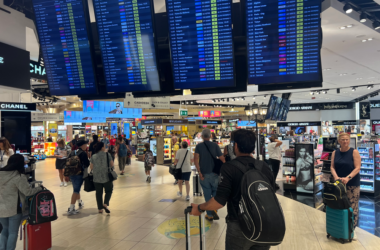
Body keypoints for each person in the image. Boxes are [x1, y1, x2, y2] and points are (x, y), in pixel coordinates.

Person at [190, 129, 274, 250]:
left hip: (239, 225)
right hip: (264, 224)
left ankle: (210, 214)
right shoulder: (264, 167)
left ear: (235, 146)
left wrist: (199, 207)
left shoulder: (230, 168)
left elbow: (219, 201)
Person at [0, 154, 43, 250]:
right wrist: (39, 188)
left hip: (1, 209)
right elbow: (28, 192)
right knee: (13, 232)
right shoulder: (19, 176)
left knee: (4, 230)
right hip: (14, 209)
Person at [331, 133, 361, 230]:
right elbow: (332, 167)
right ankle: (342, 228)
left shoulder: (354, 152)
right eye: (343, 139)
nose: (345, 141)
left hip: (352, 185)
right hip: (339, 185)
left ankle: (352, 229)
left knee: (352, 207)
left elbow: (357, 168)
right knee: (340, 206)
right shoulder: (335, 153)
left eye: (347, 139)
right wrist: (336, 177)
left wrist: (348, 178)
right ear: (339, 141)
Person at [194, 128, 225, 221]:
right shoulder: (215, 146)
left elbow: (195, 159)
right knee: (216, 191)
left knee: (207, 194)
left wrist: (199, 172)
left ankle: (209, 214)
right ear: (211, 136)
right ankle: (214, 208)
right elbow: (222, 159)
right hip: (215, 174)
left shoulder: (199, 146)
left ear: (202, 137)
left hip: (203, 174)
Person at [90, 142, 114, 214]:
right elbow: (112, 164)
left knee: (98, 193)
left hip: (96, 177)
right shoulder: (107, 155)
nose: (105, 147)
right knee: (109, 190)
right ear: (102, 148)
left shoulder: (93, 156)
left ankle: (100, 209)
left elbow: (91, 167)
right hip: (107, 176)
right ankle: (105, 203)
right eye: (104, 146)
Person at [67, 140, 89, 215]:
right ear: (82, 145)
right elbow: (87, 164)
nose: (86, 145)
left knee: (76, 188)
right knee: (76, 190)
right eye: (86, 144)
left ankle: (79, 202)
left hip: (71, 173)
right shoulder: (83, 153)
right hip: (79, 174)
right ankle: (71, 208)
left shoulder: (73, 152)